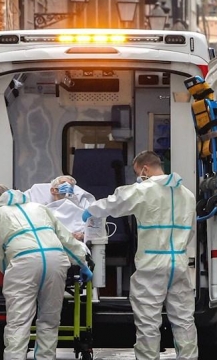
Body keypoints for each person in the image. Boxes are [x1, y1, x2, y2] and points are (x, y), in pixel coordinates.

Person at [81, 150, 198, 360]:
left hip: (152, 265)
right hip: (179, 262)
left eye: (138, 172)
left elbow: (115, 203)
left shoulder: (144, 190)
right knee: (184, 320)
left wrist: (92, 210)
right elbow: (190, 231)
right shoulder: (187, 194)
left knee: (148, 322)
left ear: (144, 169)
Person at [0, 185, 93, 360]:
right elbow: (65, 238)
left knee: (19, 323)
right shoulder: (39, 207)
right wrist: (82, 263)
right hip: (55, 259)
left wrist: (9, 272)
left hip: (23, 261)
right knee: (50, 320)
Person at [24, 175, 95, 241]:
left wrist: (82, 236)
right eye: (64, 183)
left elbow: (91, 231)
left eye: (71, 185)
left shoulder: (79, 210)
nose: (68, 186)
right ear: (53, 190)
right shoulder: (43, 210)